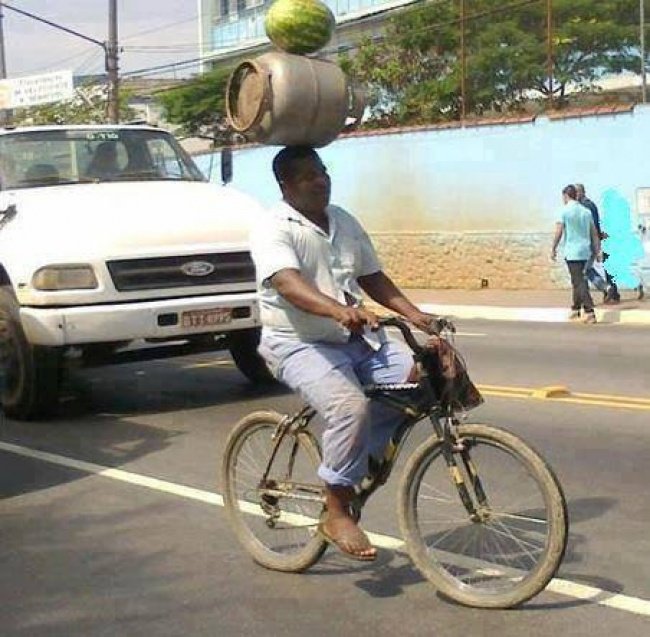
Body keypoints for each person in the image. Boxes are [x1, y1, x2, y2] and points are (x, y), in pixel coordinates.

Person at [250, 146, 441, 561]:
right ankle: (336, 511)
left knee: (419, 374)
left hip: (352, 340)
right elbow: (287, 284)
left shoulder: (344, 220)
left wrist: (418, 317)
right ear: (285, 186)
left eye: (321, 171)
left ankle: (360, 459)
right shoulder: (273, 227)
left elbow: (372, 277)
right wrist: (339, 310)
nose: (319, 180)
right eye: (306, 176)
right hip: (297, 342)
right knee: (350, 406)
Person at [551, 184, 601, 324]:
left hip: (572, 252)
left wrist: (553, 247)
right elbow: (594, 234)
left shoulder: (564, 211)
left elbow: (559, 231)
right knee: (577, 280)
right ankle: (575, 309)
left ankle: (590, 311)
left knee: (580, 281)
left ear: (566, 196)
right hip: (585, 251)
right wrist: (597, 251)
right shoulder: (586, 212)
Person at [575, 183, 619, 304]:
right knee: (586, 269)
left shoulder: (585, 206)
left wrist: (596, 239)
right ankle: (609, 291)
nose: (575, 195)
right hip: (593, 240)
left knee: (584, 270)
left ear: (581, 192)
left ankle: (605, 289)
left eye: (576, 192)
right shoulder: (588, 205)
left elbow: (593, 224)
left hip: (588, 242)